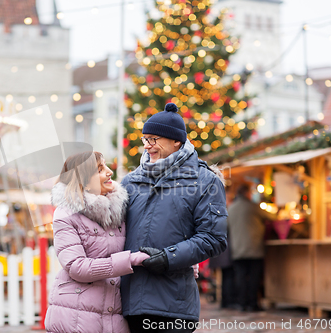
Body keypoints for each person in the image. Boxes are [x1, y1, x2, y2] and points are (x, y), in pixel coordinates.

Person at [121, 103, 228, 333]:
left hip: (173, 305)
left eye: (154, 139)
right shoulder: (130, 182)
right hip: (128, 302)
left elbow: (214, 237)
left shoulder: (205, 181)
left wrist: (168, 258)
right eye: (145, 139)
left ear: (176, 141)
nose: (148, 146)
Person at [45, 151, 150, 333]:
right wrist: (130, 260)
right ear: (84, 180)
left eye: (106, 167)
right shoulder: (66, 214)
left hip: (114, 311)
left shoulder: (119, 210)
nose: (109, 172)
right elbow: (77, 267)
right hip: (76, 314)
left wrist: (180, 261)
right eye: (100, 169)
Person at [227, 184, 277, 312]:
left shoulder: (230, 209)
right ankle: (253, 303)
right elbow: (272, 217)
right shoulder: (253, 207)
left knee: (240, 277)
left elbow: (225, 228)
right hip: (254, 248)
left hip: (237, 250)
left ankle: (242, 303)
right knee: (254, 277)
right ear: (247, 193)